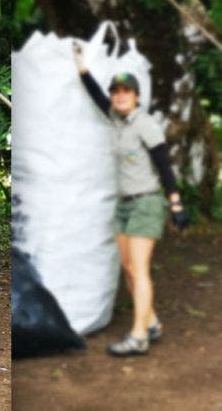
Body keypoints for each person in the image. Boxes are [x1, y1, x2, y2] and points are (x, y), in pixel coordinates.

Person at [73, 42, 188, 356]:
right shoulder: (116, 118)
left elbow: (164, 166)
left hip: (146, 203)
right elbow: (97, 97)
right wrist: (82, 67)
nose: (120, 95)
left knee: (139, 269)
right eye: (116, 91)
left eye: (126, 91)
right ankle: (152, 323)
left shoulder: (146, 125)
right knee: (127, 267)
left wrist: (176, 204)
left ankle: (139, 336)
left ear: (136, 96)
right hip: (124, 204)